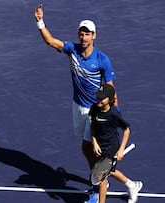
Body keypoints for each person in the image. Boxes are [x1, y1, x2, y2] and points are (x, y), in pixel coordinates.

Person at [34, 4, 119, 202]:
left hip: (94, 111)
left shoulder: (102, 59)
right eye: (81, 33)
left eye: (87, 33)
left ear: (94, 36)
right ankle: (124, 183)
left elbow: (110, 89)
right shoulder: (72, 50)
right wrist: (39, 21)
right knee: (85, 149)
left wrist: (114, 113)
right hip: (77, 107)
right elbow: (50, 41)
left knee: (95, 152)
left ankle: (97, 187)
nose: (83, 37)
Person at [90, 84, 143, 203]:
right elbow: (92, 125)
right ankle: (132, 185)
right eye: (98, 97)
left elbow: (126, 130)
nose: (98, 99)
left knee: (101, 178)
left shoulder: (113, 115)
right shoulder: (94, 109)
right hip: (100, 148)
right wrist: (94, 142)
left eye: (101, 98)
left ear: (109, 99)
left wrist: (121, 149)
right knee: (110, 171)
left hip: (111, 149)